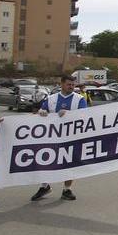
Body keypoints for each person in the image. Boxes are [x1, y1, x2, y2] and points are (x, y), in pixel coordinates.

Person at [31, 74, 88, 202]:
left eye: (73, 85)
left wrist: (69, 114)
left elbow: (84, 115)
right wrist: (41, 112)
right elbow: (42, 110)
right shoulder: (51, 99)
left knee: (69, 164)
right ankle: (44, 186)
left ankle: (67, 189)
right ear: (61, 84)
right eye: (69, 84)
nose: (71, 87)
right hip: (52, 137)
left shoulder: (79, 99)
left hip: (71, 137)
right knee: (46, 161)